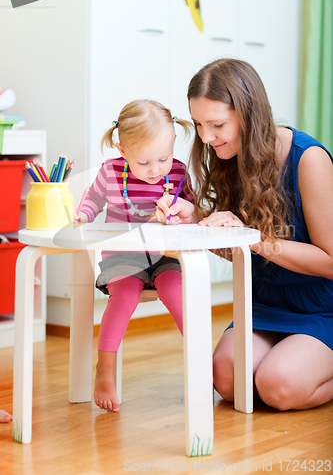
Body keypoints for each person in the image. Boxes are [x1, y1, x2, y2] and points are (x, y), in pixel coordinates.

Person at [157, 58, 333, 411]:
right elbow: (240, 245)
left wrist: (255, 239)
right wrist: (198, 219)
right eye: (199, 124)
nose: (206, 138)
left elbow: (330, 262)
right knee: (226, 379)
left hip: (320, 307)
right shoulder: (230, 155)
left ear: (248, 115)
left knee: (277, 386)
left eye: (217, 124)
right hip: (264, 303)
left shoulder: (308, 159)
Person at [74, 99, 193, 412]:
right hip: (122, 257)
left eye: (163, 158)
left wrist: (182, 213)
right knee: (124, 295)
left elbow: (192, 210)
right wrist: (83, 216)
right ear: (123, 150)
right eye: (144, 163)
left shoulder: (178, 173)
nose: (155, 170)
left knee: (178, 294)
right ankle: (104, 371)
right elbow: (92, 200)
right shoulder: (111, 172)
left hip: (165, 257)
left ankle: (199, 368)